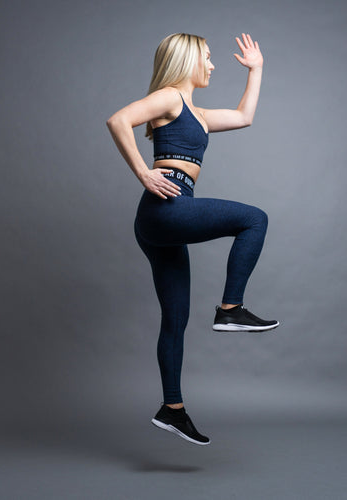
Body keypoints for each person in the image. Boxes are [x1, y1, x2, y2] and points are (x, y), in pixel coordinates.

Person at [106, 32, 279, 446]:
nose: (213, 65)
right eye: (208, 57)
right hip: (165, 207)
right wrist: (143, 173)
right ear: (187, 60)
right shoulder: (169, 97)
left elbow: (243, 117)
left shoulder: (197, 113)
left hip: (166, 216)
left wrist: (256, 70)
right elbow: (118, 120)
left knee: (176, 318)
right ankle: (230, 309)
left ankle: (173, 409)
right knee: (254, 219)